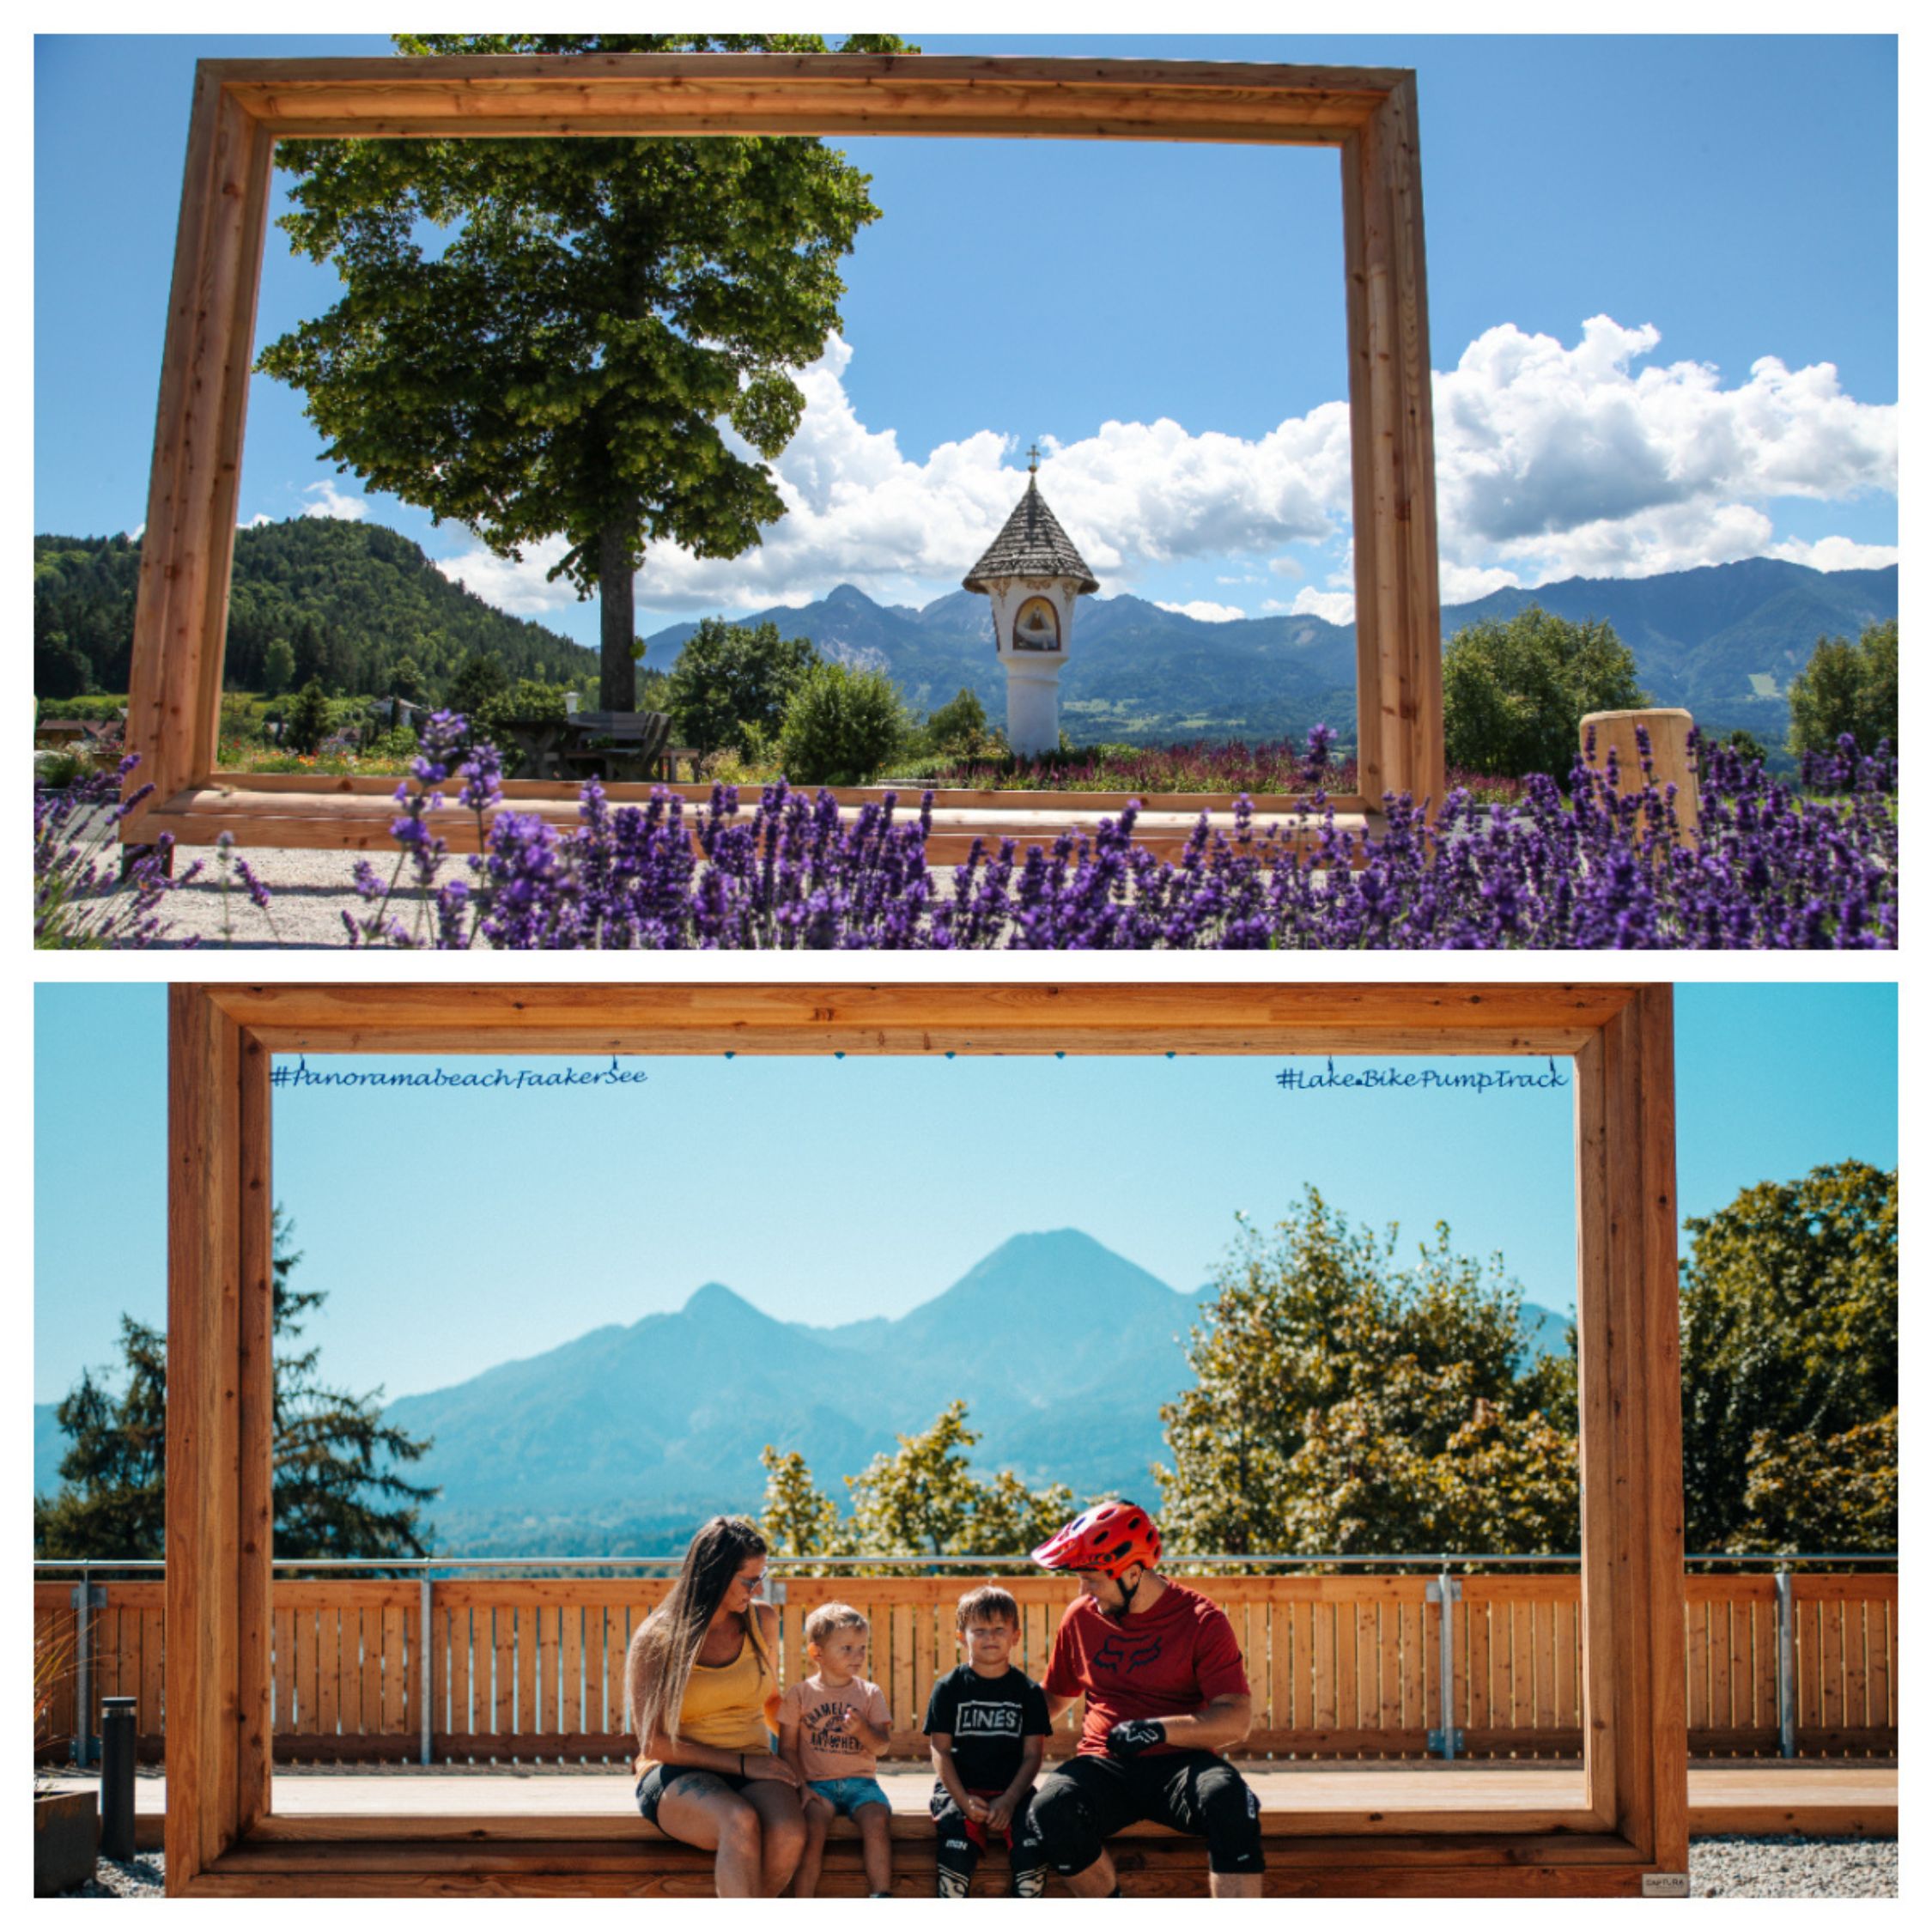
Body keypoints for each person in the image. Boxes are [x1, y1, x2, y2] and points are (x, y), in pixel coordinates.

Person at [1025, 1500, 1265, 1899]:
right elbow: (1053, 1698)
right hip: (1104, 1765)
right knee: (1051, 1808)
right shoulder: (1081, 1617)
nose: (1083, 1591)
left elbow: (1235, 1720)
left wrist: (1157, 1731)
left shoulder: (1202, 1619)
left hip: (1181, 1764)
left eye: (1092, 1580)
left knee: (1232, 1801)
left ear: (1133, 1573)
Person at [624, 1517, 806, 1898]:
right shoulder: (657, 1638)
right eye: (748, 1580)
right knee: (738, 1820)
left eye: (762, 1576)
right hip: (676, 1771)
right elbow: (653, 1743)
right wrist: (743, 1764)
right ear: (714, 1575)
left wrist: (802, 1760)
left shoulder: (762, 1621)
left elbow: (771, 1701)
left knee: (789, 1832)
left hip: (754, 1762)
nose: (758, 1588)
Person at [923, 1583, 1051, 1899]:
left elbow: (1033, 1755)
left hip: (1011, 1789)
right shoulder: (949, 1688)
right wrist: (963, 1800)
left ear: (1015, 1635)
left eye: (998, 1629)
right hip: (960, 1788)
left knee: (1032, 1850)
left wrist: (1009, 1800)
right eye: (978, 1630)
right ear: (960, 1636)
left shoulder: (1029, 1693)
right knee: (955, 1851)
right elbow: (940, 1750)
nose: (990, 1637)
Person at [779, 1602, 896, 1898]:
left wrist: (862, 1731)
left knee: (877, 1820)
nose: (857, 1656)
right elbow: (787, 1748)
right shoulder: (800, 1694)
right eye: (846, 1648)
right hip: (817, 1786)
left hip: (863, 1783)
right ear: (817, 1653)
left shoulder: (870, 1693)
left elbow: (881, 1746)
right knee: (812, 1831)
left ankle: (881, 1896)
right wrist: (801, 1786)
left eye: (861, 1648)